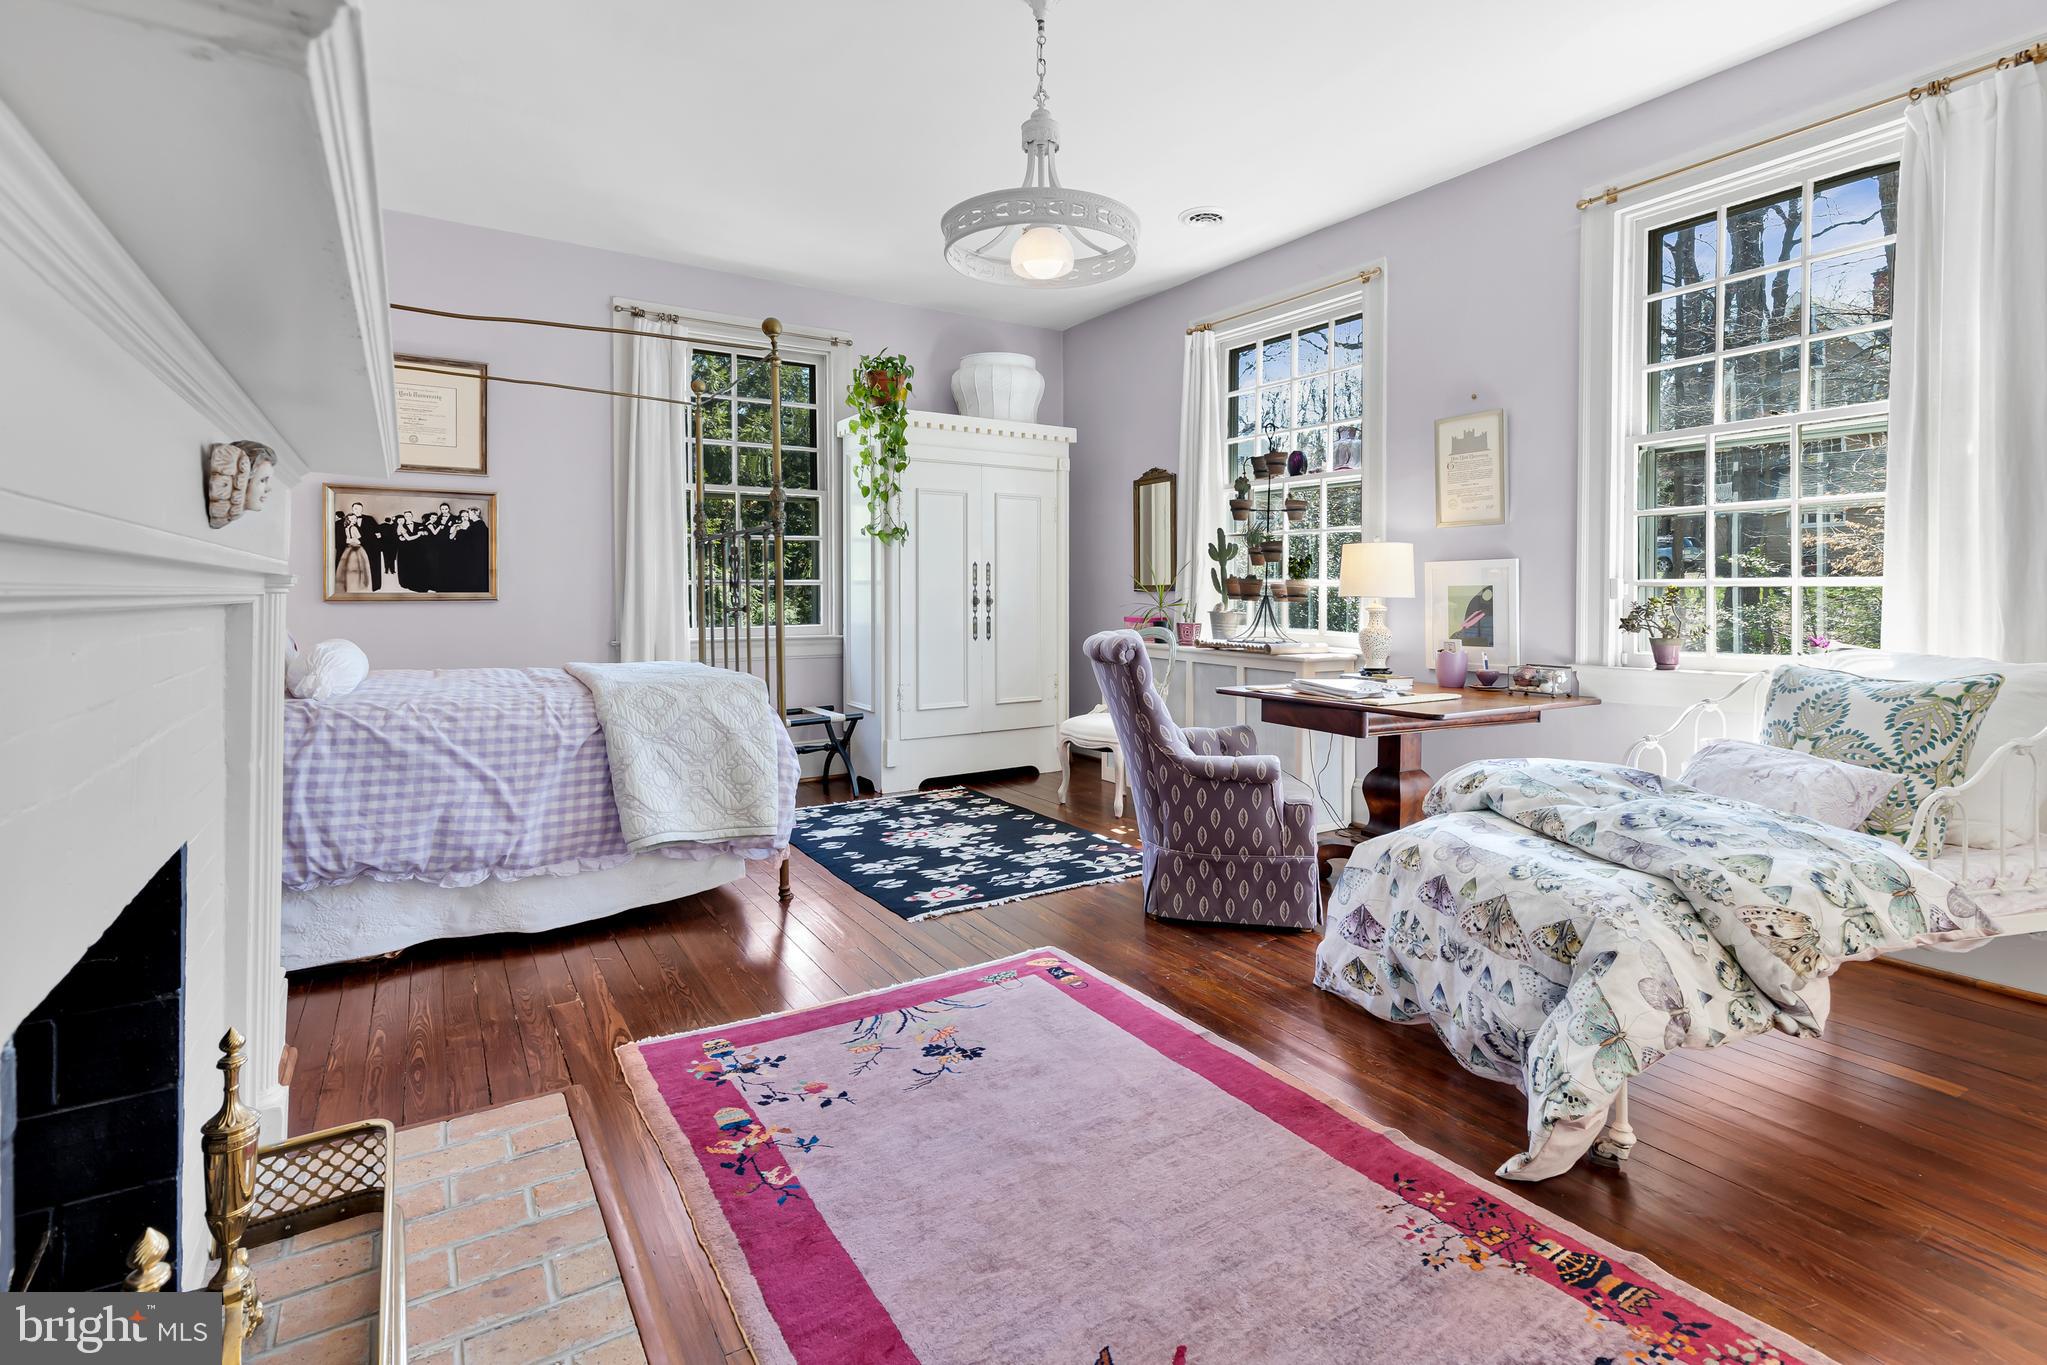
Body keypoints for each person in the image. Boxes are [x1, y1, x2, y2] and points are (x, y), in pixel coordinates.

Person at [333, 500, 376, 593]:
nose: (357, 511)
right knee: (355, 567)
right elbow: (357, 539)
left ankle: (354, 585)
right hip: (355, 548)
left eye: (360, 509)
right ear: (352, 509)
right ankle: (355, 586)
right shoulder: (348, 526)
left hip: (352, 548)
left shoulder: (350, 526)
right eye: (355, 509)